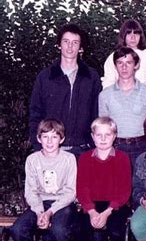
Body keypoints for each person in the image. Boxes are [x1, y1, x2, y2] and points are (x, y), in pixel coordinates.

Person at [11, 119, 77, 241]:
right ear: (38, 138)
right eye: (45, 137)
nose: (49, 141)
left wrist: (50, 213)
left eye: (54, 137)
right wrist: (40, 211)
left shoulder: (69, 159)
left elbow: (70, 192)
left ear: (61, 139)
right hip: (39, 204)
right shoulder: (32, 160)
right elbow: (30, 191)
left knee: (60, 230)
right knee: (18, 229)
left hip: (61, 204)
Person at [29, 23, 101, 159]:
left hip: (83, 150)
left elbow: (97, 113)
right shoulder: (45, 77)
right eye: (66, 41)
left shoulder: (91, 77)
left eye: (75, 43)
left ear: (81, 48)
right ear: (59, 45)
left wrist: (93, 145)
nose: (70, 46)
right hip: (51, 150)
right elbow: (35, 113)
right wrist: (38, 146)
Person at [76, 117, 131, 241]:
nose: (103, 139)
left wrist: (107, 212)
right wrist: (92, 211)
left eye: (108, 135)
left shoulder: (122, 158)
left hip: (116, 204)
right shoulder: (85, 158)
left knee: (115, 229)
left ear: (114, 136)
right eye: (99, 135)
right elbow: (82, 187)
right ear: (92, 136)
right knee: (79, 226)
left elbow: (124, 190)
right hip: (93, 203)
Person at [99, 46, 146, 169]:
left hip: (142, 146)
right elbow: (103, 127)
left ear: (136, 65)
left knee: (141, 187)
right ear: (115, 66)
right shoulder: (105, 95)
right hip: (115, 147)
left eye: (128, 63)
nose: (124, 67)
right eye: (120, 63)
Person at [102, 19, 146, 88]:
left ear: (140, 36)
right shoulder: (114, 56)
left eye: (136, 33)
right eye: (129, 33)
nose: (133, 37)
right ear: (123, 35)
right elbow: (108, 84)